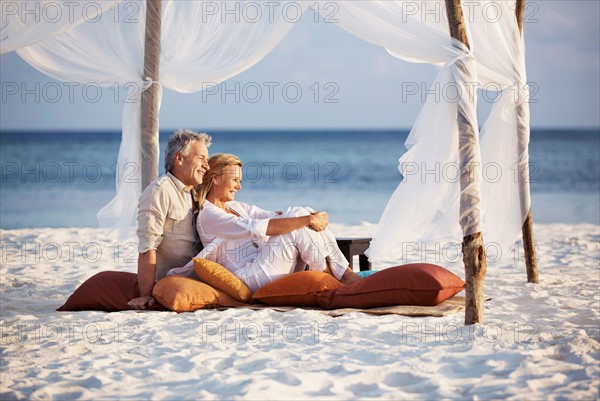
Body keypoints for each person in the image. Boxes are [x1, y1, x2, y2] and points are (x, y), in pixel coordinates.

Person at [196, 153, 362, 292]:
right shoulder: (209, 215)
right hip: (249, 278)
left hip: (265, 266)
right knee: (299, 216)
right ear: (216, 179)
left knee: (301, 212)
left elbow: (274, 217)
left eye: (240, 181)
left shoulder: (236, 207)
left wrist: (311, 215)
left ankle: (338, 273)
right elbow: (260, 228)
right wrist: (308, 219)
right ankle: (333, 275)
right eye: (235, 180)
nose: (239, 187)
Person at [127, 129, 211, 310]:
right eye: (201, 159)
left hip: (201, 274)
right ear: (179, 159)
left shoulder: (196, 191)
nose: (207, 166)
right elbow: (147, 246)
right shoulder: (159, 191)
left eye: (207, 160)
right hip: (175, 280)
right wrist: (147, 295)